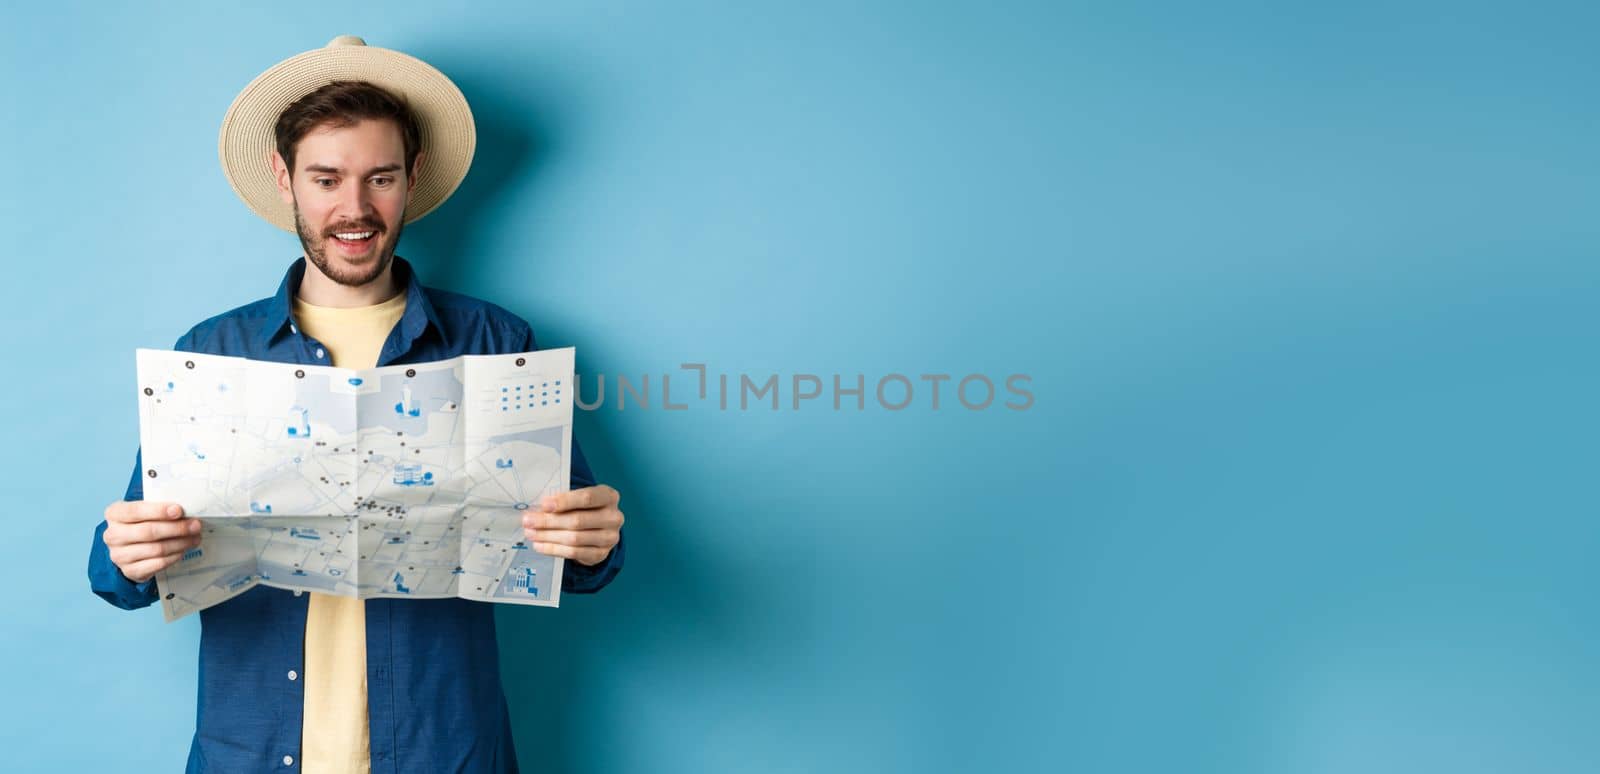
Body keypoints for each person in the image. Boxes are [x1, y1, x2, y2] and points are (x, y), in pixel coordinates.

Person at [86, 36, 625, 773]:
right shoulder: (211, 353)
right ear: (286, 179)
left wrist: (594, 538)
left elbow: (585, 557)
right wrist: (129, 553)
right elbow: (115, 577)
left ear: (413, 178)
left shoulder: (497, 343)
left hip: (445, 750)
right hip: (253, 751)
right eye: (327, 178)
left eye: (380, 178)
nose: (354, 208)